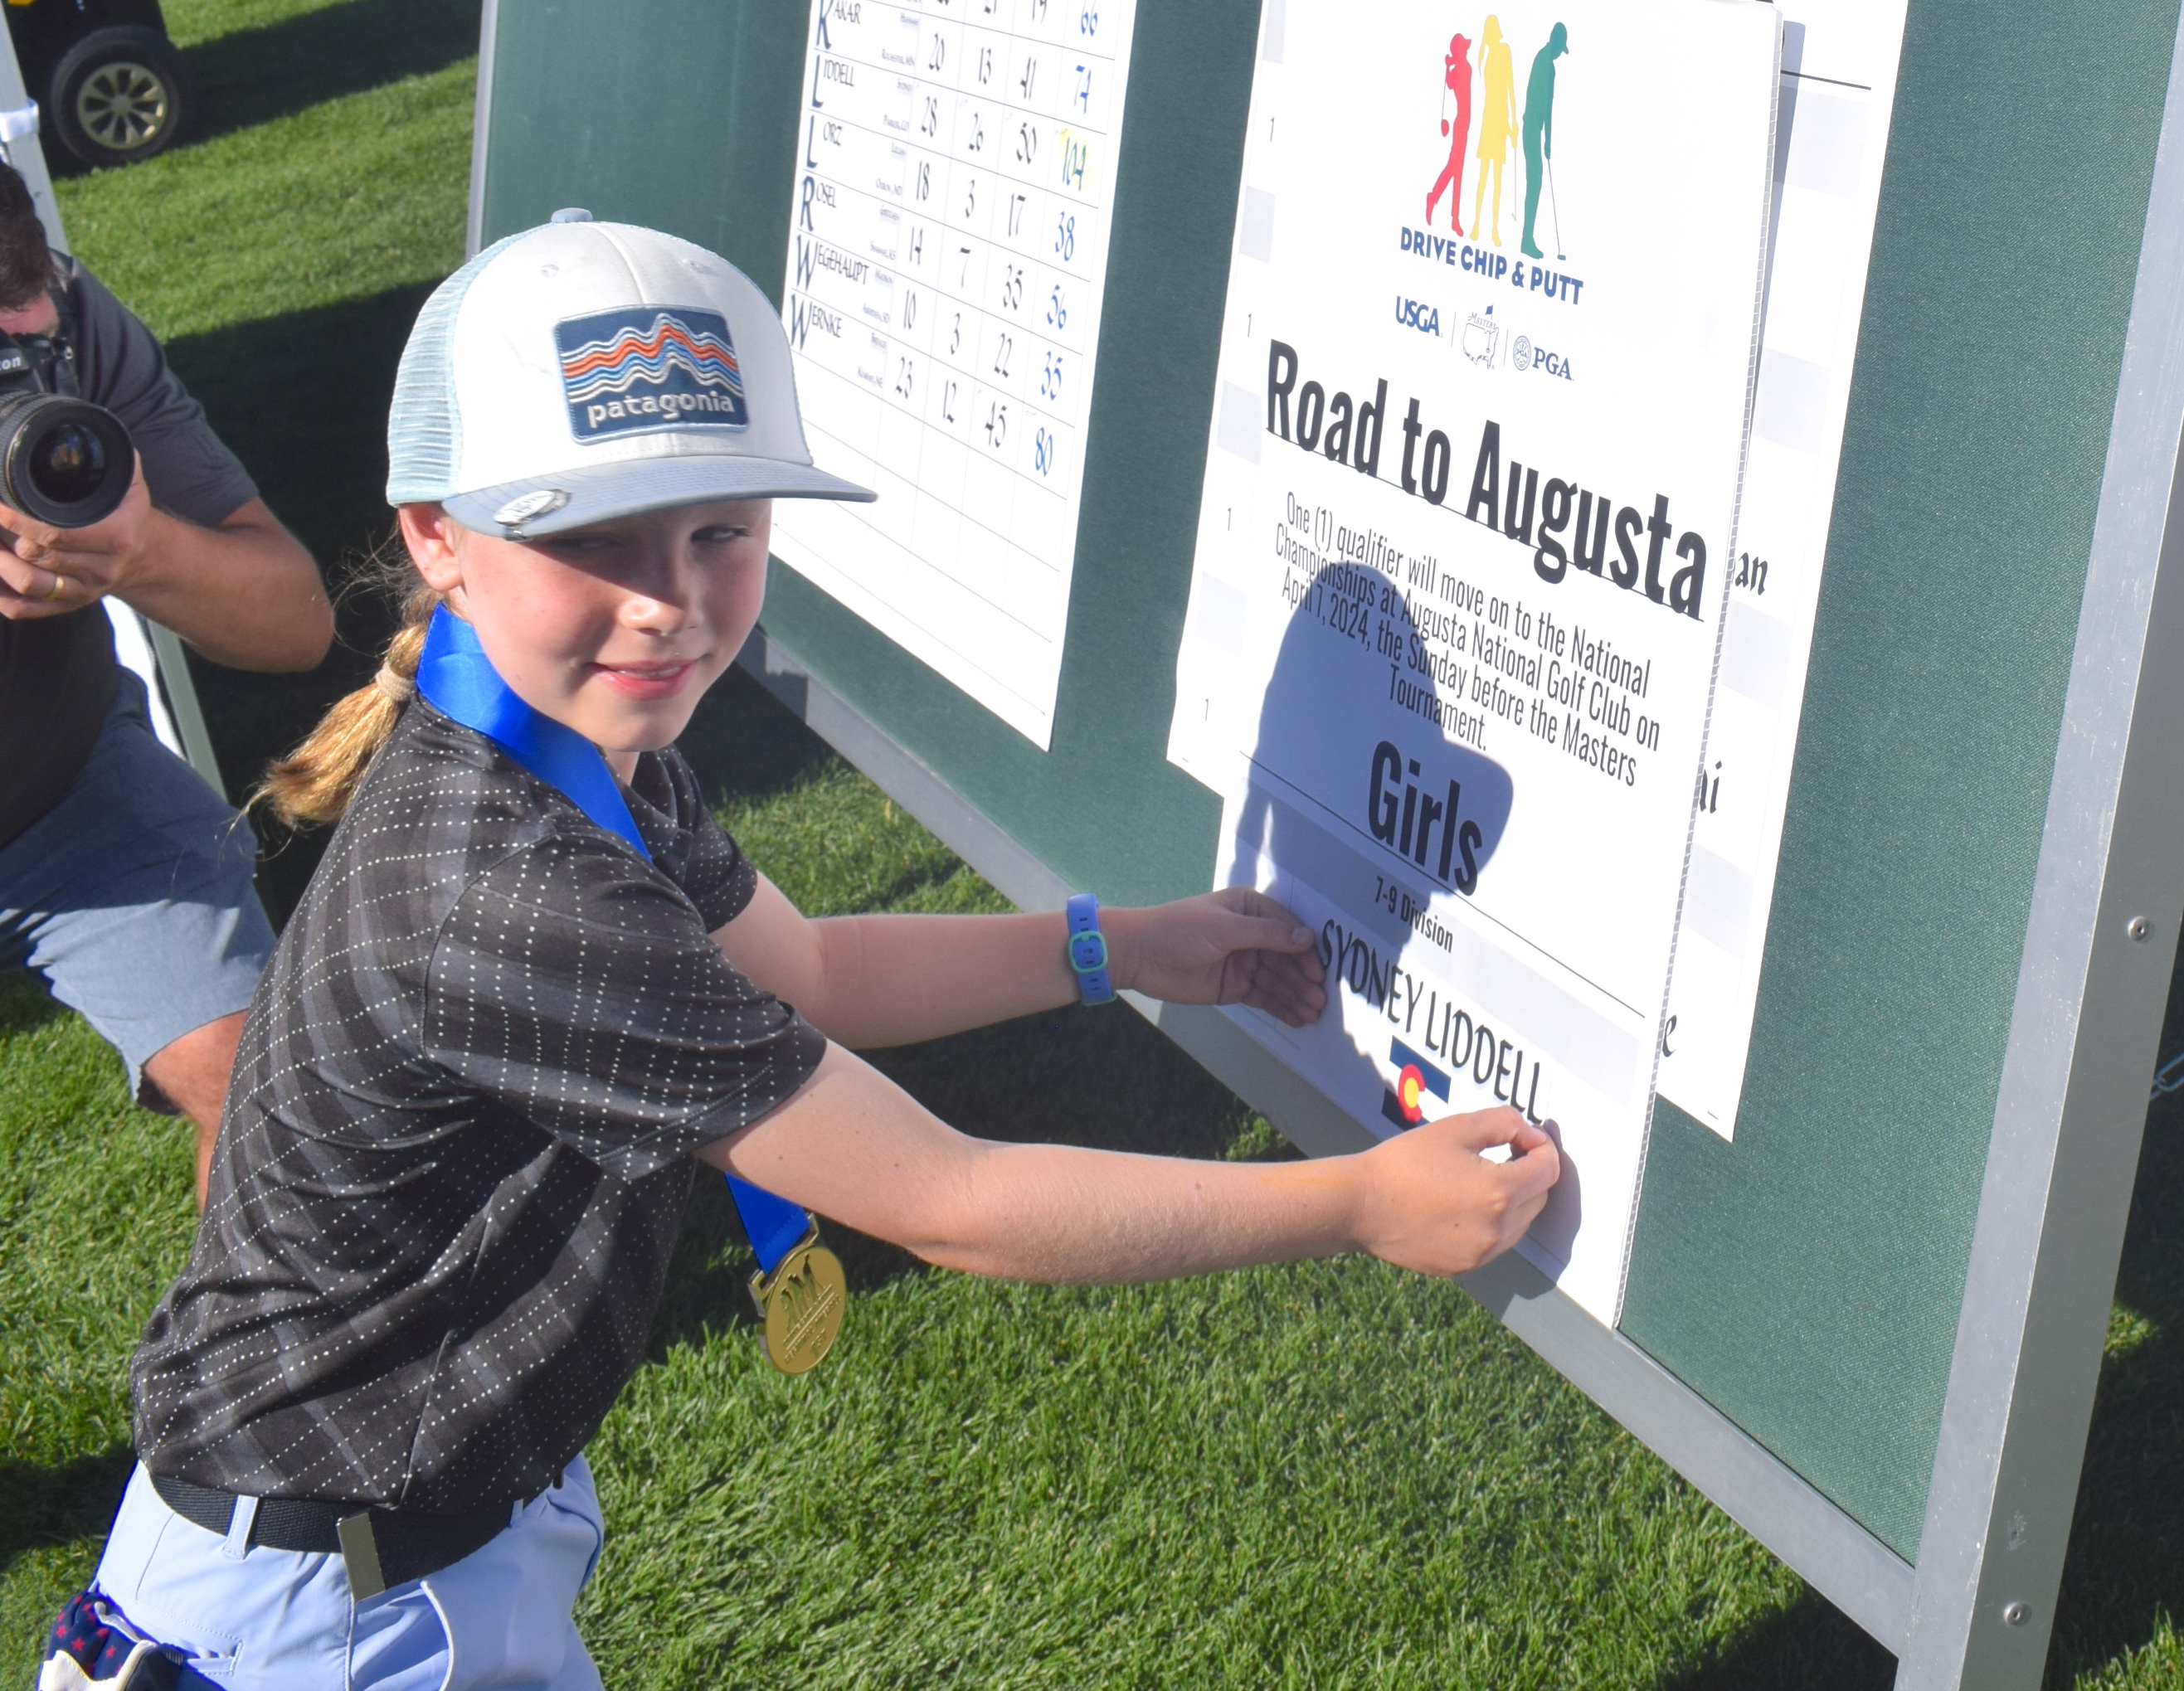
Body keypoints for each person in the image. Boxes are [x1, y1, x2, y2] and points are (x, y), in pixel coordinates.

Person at [71, 218, 1559, 1691]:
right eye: (590, 537)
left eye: (720, 529)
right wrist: (1362, 1199)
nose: (668, 599)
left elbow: (816, 973)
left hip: (397, 1542)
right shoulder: (511, 888)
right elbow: (956, 1200)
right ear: (435, 539)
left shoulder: (566, 743)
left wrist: (1116, 944)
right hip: (325, 1615)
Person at [0, 162, 330, 1202]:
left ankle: (269, 1306)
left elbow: (296, 621)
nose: (25, 346)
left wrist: (141, 553)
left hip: (60, 796)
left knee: (272, 1094)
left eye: (24, 314)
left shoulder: (66, 327)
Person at [1521, 23, 1570, 261]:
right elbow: (1547, 107)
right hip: (1532, 130)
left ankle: (1526, 238)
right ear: (1557, 43)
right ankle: (1526, 240)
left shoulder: (1540, 57)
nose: (1560, 53)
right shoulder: (1548, 66)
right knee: (1535, 182)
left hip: (1530, 128)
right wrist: (1548, 141)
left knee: (1535, 181)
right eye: (1561, 48)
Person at [1471, 16, 1518, 248]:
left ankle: (1493, 230)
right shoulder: (1488, 54)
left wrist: (1513, 124)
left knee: (1495, 178)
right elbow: (1497, 94)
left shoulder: (1503, 51)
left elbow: (1510, 87)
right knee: (1484, 176)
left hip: (1498, 120)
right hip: (1490, 119)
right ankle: (1477, 223)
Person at [1428, 30, 1474, 231]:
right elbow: (1451, 82)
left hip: (1462, 125)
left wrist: (1449, 65)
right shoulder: (1463, 67)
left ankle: (1435, 199)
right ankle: (1453, 217)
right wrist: (1450, 64)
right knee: (1456, 170)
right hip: (1461, 125)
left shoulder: (1462, 68)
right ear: (1460, 50)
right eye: (1464, 48)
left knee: (1454, 168)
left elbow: (1450, 82)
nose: (1467, 50)